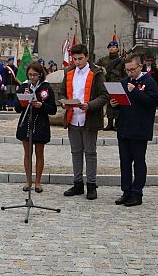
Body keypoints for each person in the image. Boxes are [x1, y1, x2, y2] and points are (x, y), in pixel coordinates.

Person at [110, 54, 158, 207]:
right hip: (124, 127)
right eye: (127, 70)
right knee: (124, 161)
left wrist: (135, 91)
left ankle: (137, 193)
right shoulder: (124, 82)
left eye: (132, 69)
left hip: (140, 129)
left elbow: (152, 102)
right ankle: (126, 191)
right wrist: (115, 103)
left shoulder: (149, 82)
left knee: (138, 162)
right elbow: (124, 103)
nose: (129, 73)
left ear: (140, 67)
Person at [61, 44, 108, 200]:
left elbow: (103, 96)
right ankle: (78, 183)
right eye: (74, 59)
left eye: (80, 59)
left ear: (87, 57)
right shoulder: (68, 72)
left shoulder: (96, 73)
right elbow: (62, 92)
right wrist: (63, 102)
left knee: (90, 152)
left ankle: (92, 185)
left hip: (89, 117)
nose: (77, 62)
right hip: (73, 117)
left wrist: (89, 105)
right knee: (75, 152)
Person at [15, 61, 57, 193]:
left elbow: (53, 109)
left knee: (39, 154)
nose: (32, 77)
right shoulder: (23, 87)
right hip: (26, 122)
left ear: (40, 75)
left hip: (40, 123)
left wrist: (41, 105)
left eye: (34, 75)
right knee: (27, 154)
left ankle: (38, 181)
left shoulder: (46, 88)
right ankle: (28, 180)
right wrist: (24, 100)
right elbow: (17, 108)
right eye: (29, 75)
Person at [96, 40, 126, 131]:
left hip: (117, 84)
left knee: (117, 104)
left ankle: (117, 123)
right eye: (110, 47)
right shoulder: (103, 60)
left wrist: (123, 83)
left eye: (114, 47)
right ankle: (109, 124)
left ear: (117, 49)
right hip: (106, 83)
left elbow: (124, 73)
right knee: (109, 104)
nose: (112, 48)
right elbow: (96, 68)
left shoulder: (121, 61)